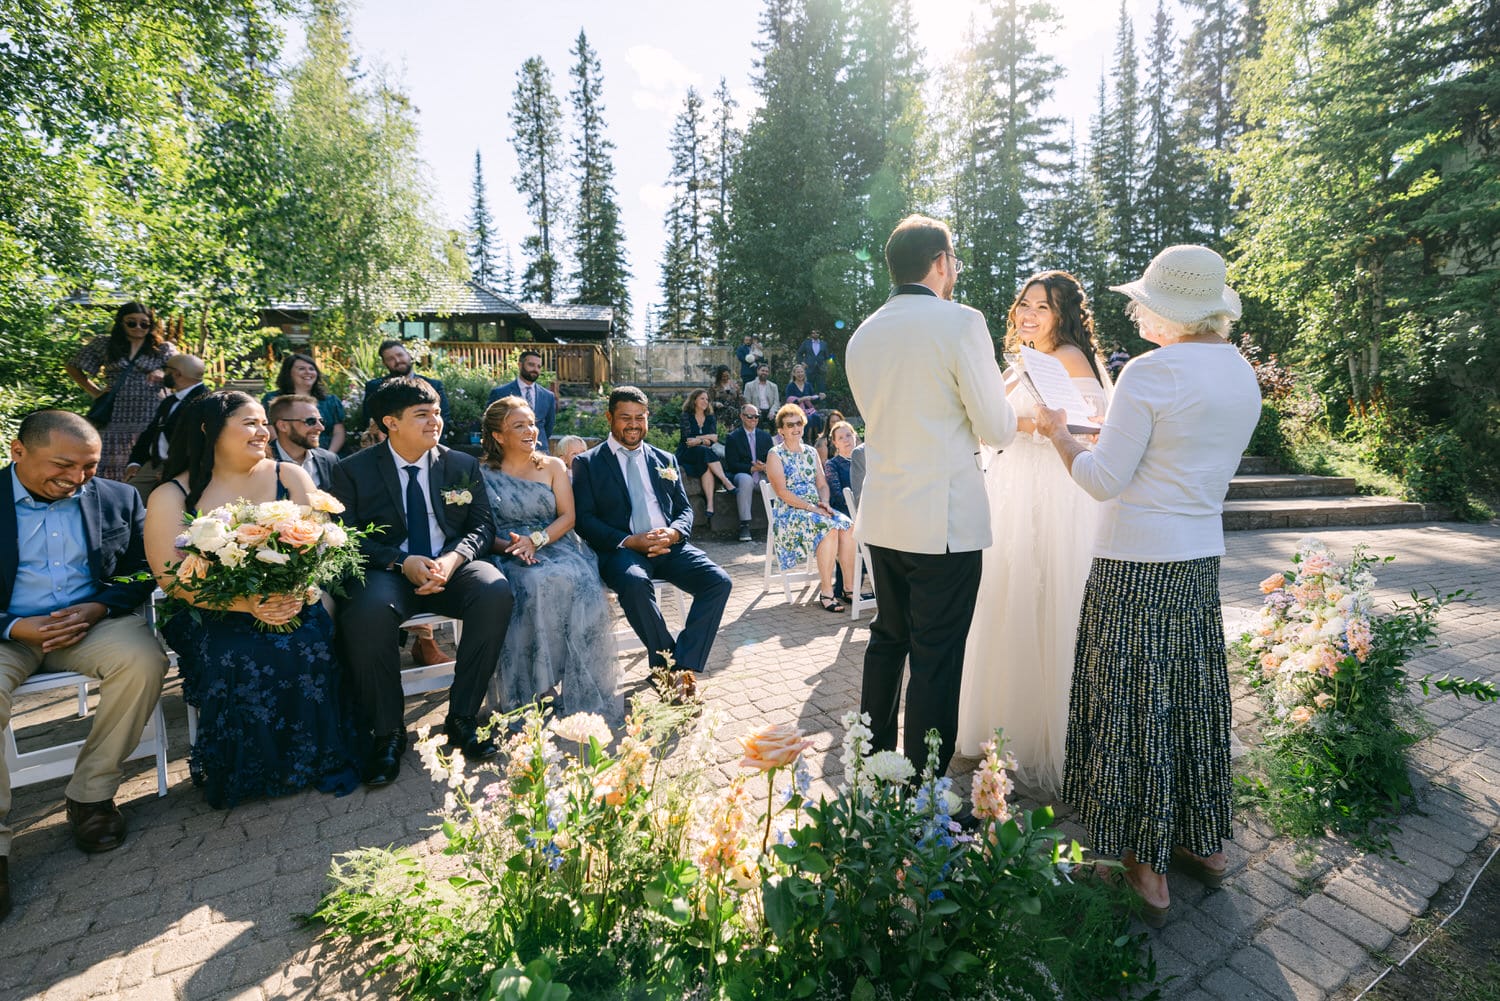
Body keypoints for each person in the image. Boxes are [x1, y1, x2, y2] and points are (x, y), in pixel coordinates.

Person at [1032, 244, 1261, 925]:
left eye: (1143, 300)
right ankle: (1201, 841)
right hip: (1197, 560)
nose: (1134, 308)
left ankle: (1143, 867)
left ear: (1170, 311)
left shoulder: (1152, 373)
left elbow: (1104, 479)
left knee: (1131, 705)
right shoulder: (1240, 372)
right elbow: (1181, 450)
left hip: (1134, 562)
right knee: (1187, 697)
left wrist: (1056, 433)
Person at [845, 214, 1016, 779]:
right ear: (940, 262)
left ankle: (873, 771)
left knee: (887, 640)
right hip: (942, 520)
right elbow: (995, 426)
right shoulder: (960, 323)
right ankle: (925, 796)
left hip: (884, 513)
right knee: (937, 659)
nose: (956, 270)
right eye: (955, 260)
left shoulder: (863, 333)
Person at [143, 392, 357, 809]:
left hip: (289, 599)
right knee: (232, 652)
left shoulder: (290, 475)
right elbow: (171, 580)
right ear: (209, 430)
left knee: (306, 641)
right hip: (207, 608)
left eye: (264, 422)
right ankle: (248, 769)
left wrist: (292, 593)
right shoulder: (171, 495)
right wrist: (245, 605)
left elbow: (319, 547)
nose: (263, 432)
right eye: (250, 423)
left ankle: (312, 757)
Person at [1, 412, 167, 920]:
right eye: (62, 465)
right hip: (10, 632)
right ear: (17, 451)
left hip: (90, 624)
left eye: (89, 467)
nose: (76, 478)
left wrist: (98, 606)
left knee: (144, 660)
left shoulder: (119, 498)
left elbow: (143, 570)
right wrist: (13, 626)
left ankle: (91, 796)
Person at [957, 272, 1111, 795]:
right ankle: (1002, 722)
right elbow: (982, 424)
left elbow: (1094, 426)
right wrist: (1023, 426)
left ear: (1062, 315)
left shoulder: (1067, 357)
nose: (1028, 314)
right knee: (1008, 595)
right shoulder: (1019, 363)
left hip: (1054, 490)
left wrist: (1035, 427)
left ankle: (1055, 732)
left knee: (1049, 597)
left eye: (1041, 307)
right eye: (1024, 304)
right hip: (1013, 489)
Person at [331, 376, 513, 787]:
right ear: (390, 423)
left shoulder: (460, 464)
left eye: (437, 413)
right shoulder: (352, 471)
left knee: (494, 589)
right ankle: (387, 734)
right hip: (386, 573)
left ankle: (462, 718)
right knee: (366, 610)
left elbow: (482, 526)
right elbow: (344, 537)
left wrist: (451, 559)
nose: (436, 422)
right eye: (422, 415)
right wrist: (401, 561)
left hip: (451, 568)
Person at [571, 386, 732, 676]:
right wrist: (630, 541)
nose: (633, 424)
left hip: (669, 546)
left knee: (718, 581)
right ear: (610, 417)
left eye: (640, 417)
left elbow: (684, 510)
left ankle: (683, 666)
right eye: (625, 417)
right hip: (623, 551)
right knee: (634, 583)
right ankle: (666, 664)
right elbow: (583, 519)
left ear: (648, 418)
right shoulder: (588, 463)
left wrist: (674, 533)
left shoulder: (665, 459)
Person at [479, 397, 618, 720]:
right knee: (532, 583)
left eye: (532, 423)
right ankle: (537, 686)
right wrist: (513, 547)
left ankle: (574, 680)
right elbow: (480, 528)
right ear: (498, 435)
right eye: (519, 425)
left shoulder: (552, 466)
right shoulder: (482, 473)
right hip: (507, 550)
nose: (531, 431)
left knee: (576, 581)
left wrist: (536, 540)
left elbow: (568, 517)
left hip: (556, 543)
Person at [65, 302, 177, 482]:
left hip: (151, 413)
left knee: (146, 459)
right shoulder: (105, 344)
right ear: (121, 323)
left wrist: (163, 375)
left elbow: (181, 376)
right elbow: (73, 366)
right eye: (132, 323)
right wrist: (95, 391)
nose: (138, 327)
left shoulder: (163, 348)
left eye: (144, 323)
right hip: (115, 415)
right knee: (109, 463)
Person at [766, 404, 855, 613]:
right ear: (781, 430)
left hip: (816, 508)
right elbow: (782, 492)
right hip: (790, 511)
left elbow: (822, 484)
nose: (795, 428)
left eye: (799, 423)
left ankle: (849, 589)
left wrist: (823, 502)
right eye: (790, 425)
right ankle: (826, 592)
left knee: (848, 526)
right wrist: (811, 508)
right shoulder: (775, 454)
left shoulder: (811, 452)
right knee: (829, 528)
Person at [122, 354, 207, 499]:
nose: (163, 375)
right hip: (153, 465)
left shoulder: (205, 401)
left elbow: (200, 443)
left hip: (184, 469)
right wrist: (134, 462)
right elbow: (150, 434)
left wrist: (175, 470)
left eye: (166, 370)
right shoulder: (169, 401)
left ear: (177, 373)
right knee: (126, 497)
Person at [261, 353, 347, 454]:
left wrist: (328, 456)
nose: (308, 372)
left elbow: (338, 432)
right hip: (287, 456)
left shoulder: (330, 401)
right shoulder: (273, 399)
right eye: (301, 369)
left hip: (327, 455)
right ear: (288, 373)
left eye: (311, 369)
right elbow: (271, 429)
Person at [360, 340, 450, 432]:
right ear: (384, 363)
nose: (397, 361)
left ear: (409, 355)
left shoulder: (434, 385)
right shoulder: (375, 387)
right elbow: (369, 420)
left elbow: (444, 419)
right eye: (390, 359)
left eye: (400, 355)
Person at [676, 390, 736, 519]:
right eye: (702, 398)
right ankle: (725, 481)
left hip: (702, 453)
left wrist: (699, 439)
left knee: (706, 464)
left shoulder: (710, 417)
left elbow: (714, 439)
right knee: (705, 451)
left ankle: (710, 506)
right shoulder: (686, 416)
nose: (705, 402)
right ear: (694, 400)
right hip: (686, 452)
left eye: (707, 399)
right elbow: (688, 440)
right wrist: (705, 439)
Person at [723, 403, 773, 543]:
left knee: (777, 478)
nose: (753, 419)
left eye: (756, 416)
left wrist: (764, 467)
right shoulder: (733, 437)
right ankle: (744, 524)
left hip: (762, 474)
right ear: (742, 417)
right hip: (743, 474)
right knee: (746, 480)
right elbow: (732, 465)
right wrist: (752, 469)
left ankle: (780, 521)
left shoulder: (765, 437)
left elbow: (773, 459)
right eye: (749, 416)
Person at [266, 394, 340, 488]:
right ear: (283, 426)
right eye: (310, 421)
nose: (321, 428)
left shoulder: (330, 460)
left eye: (321, 421)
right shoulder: (262, 462)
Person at [488, 349, 556, 452]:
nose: (535, 369)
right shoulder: (500, 393)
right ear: (520, 365)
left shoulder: (548, 396)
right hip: (509, 452)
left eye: (538, 366)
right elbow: (491, 423)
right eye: (531, 365)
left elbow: (548, 428)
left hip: (540, 452)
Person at [784, 364, 824, 439]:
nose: (800, 374)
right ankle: (807, 440)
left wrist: (820, 397)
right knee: (808, 419)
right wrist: (803, 399)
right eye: (798, 372)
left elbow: (813, 399)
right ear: (794, 374)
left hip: (809, 410)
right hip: (796, 411)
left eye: (801, 372)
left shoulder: (808, 385)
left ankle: (818, 439)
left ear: (804, 373)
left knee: (817, 418)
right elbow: (789, 401)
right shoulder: (790, 386)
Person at [708, 364, 743, 434]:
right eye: (723, 376)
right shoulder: (714, 387)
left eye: (727, 376)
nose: (726, 378)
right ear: (719, 376)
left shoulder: (734, 385)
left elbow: (741, 398)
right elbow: (708, 402)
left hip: (734, 415)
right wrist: (715, 404)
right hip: (720, 416)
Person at [795, 329, 832, 395]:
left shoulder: (824, 344)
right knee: (808, 387)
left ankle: (822, 404)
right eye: (813, 333)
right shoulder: (806, 343)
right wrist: (802, 362)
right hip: (808, 369)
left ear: (819, 334)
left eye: (817, 333)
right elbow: (799, 353)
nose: (815, 334)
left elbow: (827, 357)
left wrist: (826, 366)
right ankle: (808, 404)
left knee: (822, 388)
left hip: (821, 370)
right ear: (811, 334)